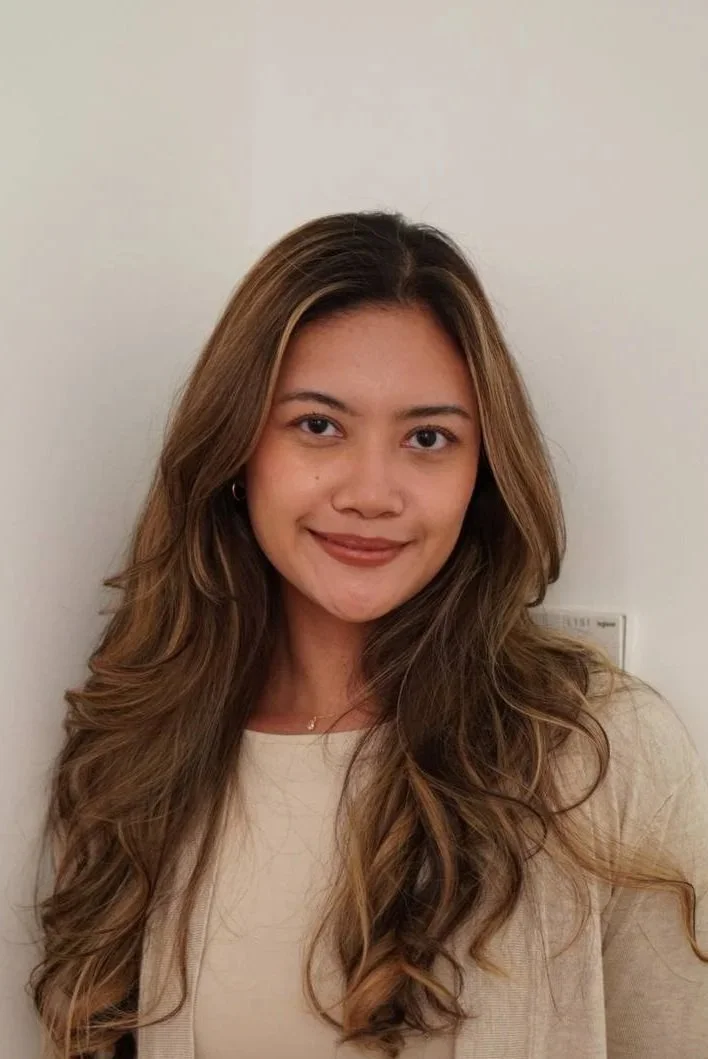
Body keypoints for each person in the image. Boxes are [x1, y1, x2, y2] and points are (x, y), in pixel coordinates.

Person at [31, 210, 708, 1059]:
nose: (371, 492)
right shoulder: (141, 740)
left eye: (428, 437)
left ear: (481, 474)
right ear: (238, 450)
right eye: (318, 425)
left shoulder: (599, 753)